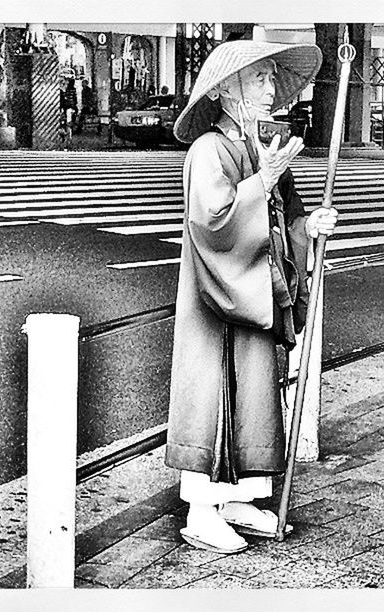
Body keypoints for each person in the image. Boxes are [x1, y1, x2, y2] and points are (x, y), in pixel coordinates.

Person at [165, 40, 338, 555]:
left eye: (271, 78)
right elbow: (213, 225)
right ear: (223, 90)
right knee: (214, 397)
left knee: (256, 395)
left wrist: (312, 225)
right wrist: (262, 181)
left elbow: (287, 220)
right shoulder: (208, 152)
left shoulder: (258, 149)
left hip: (254, 296)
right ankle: (201, 510)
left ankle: (240, 498)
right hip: (216, 303)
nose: (270, 89)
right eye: (259, 78)